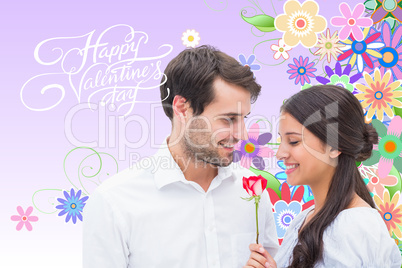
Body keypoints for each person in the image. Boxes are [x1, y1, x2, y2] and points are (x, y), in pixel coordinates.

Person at [83, 45, 279, 267]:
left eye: (244, 118)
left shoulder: (252, 191)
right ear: (182, 108)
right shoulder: (114, 202)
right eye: (228, 119)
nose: (242, 134)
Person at [245, 85, 402, 268]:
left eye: (294, 141)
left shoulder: (356, 227)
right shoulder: (305, 218)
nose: (279, 154)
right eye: (281, 140)